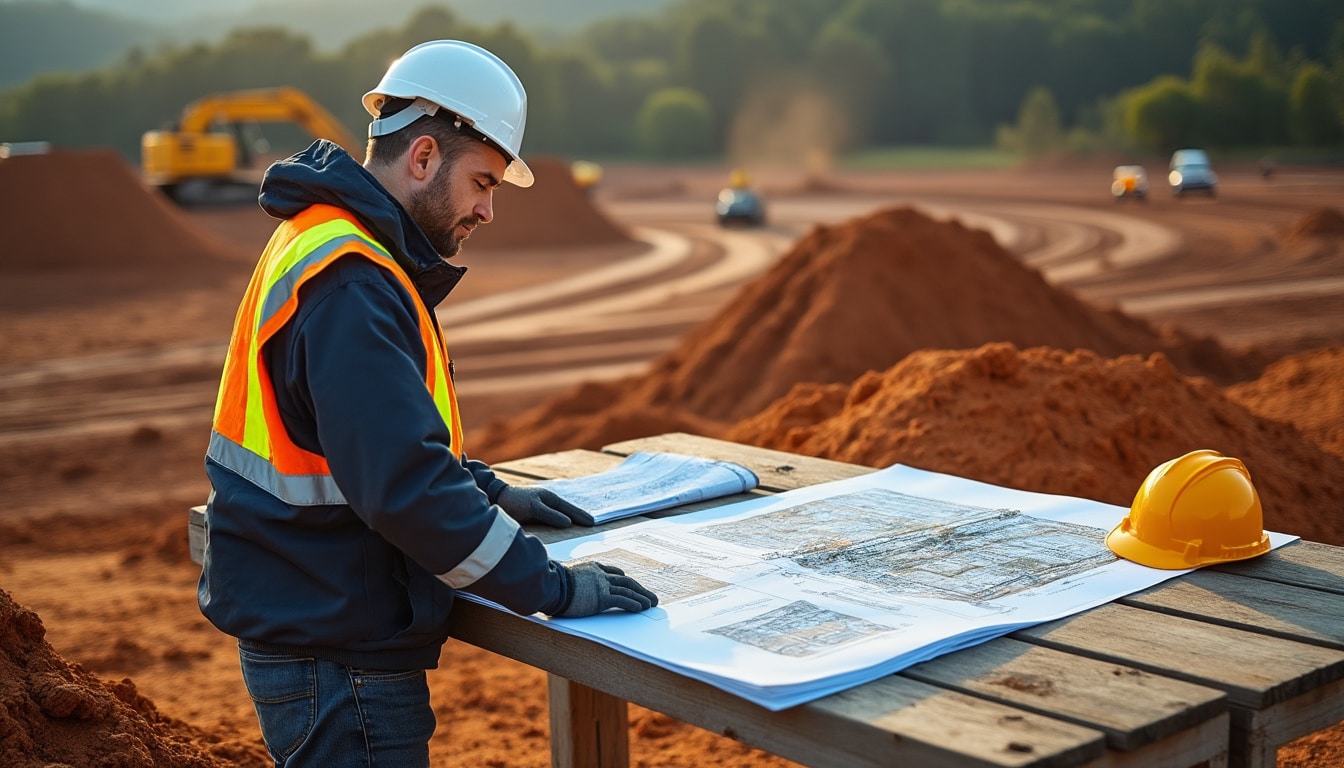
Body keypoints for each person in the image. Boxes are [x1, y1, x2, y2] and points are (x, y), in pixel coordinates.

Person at [196, 39, 658, 767]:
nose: (487, 209)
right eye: (483, 182)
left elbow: (370, 441)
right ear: (421, 159)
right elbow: (404, 486)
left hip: (318, 617)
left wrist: (492, 492)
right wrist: (555, 588)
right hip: (338, 648)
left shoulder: (329, 243)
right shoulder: (352, 280)